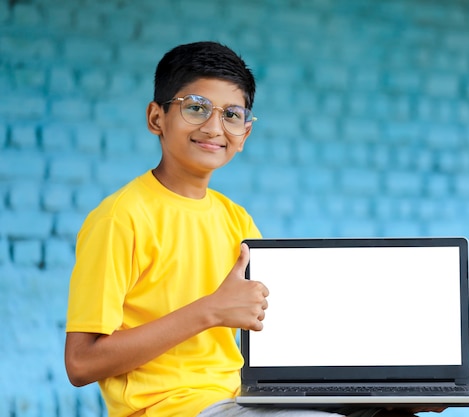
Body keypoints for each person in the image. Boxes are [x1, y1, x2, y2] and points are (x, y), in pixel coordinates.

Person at [65, 41, 443, 417]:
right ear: (156, 118)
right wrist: (210, 311)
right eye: (195, 108)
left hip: (240, 398)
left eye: (232, 115)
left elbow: (281, 337)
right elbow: (80, 364)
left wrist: (385, 391)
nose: (214, 127)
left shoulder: (236, 220)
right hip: (171, 407)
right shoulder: (121, 217)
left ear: (244, 133)